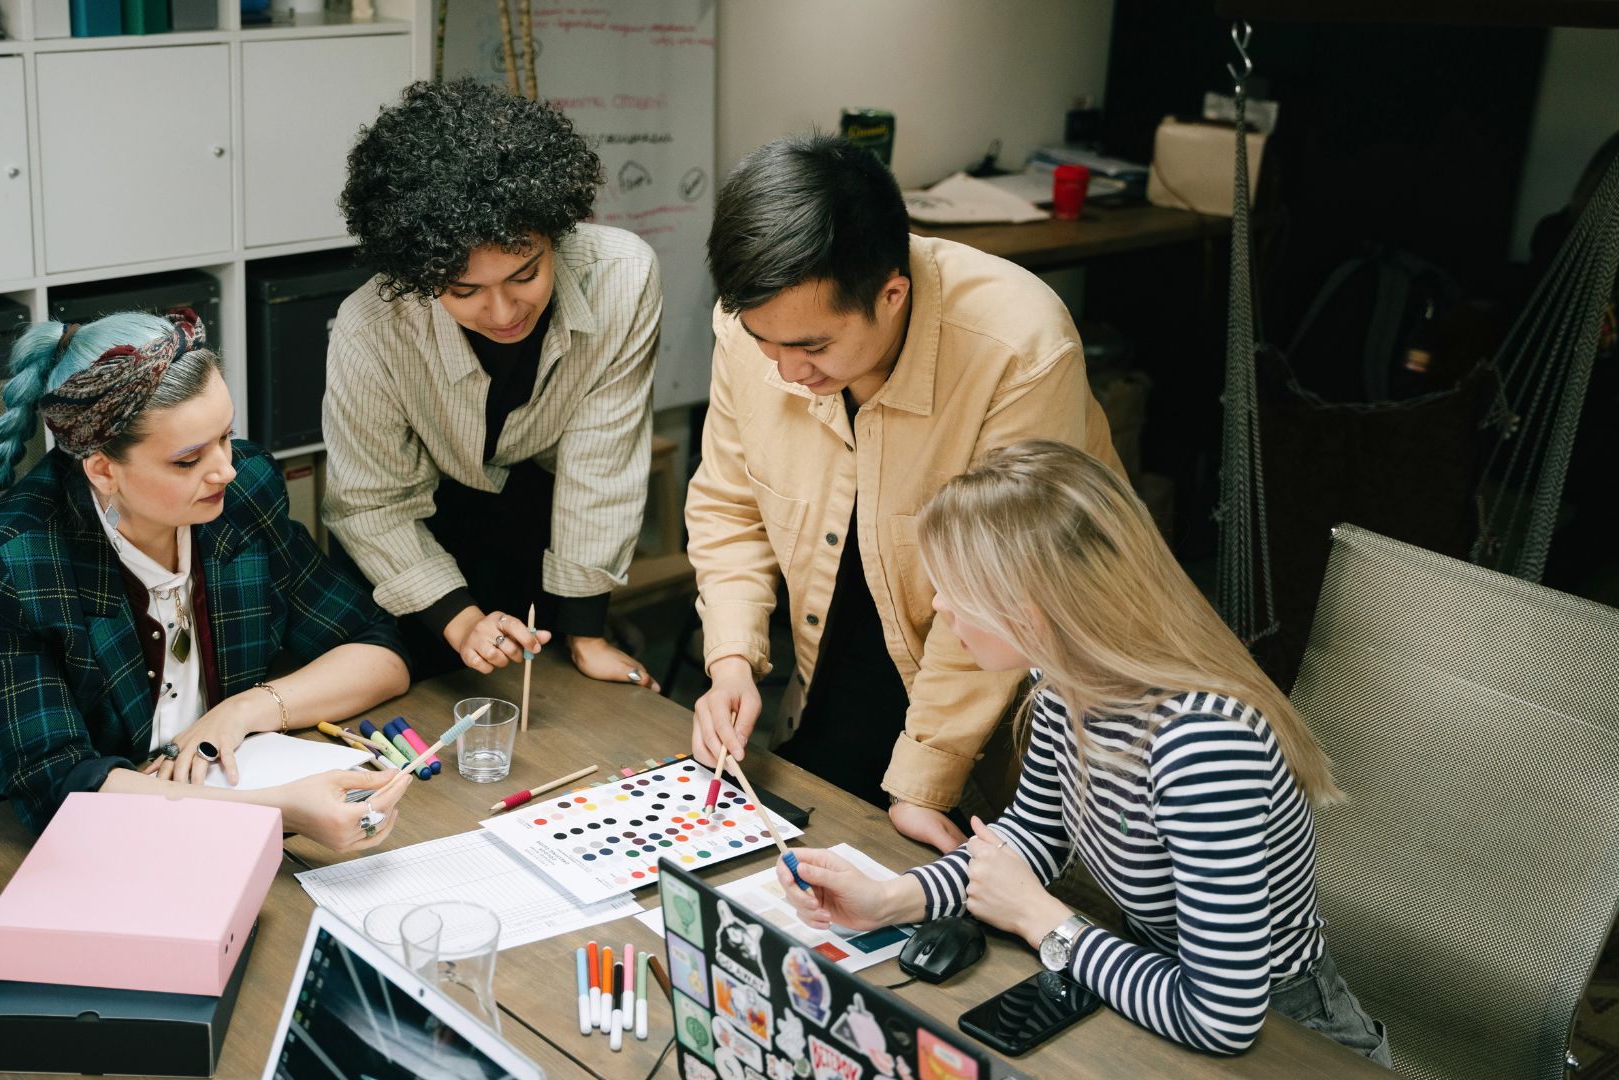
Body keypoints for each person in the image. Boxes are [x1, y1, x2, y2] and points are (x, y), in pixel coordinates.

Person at [770, 441, 1391, 1064]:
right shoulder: (1065, 681)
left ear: (1032, 611)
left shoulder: (1202, 745)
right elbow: (1036, 835)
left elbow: (1222, 1016)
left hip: (1289, 1040)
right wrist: (890, 899)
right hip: (1146, 984)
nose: (939, 603)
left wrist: (1040, 918)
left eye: (956, 586)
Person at [686, 134, 1120, 850]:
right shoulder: (755, 326)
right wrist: (730, 659)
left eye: (813, 347)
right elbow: (731, 506)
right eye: (766, 343)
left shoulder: (1019, 349)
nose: (787, 371)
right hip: (838, 651)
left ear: (892, 295)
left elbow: (1002, 589)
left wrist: (925, 779)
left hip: (1009, 691)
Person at [0, 310, 414, 855]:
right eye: (188, 460)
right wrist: (280, 810)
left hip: (196, 805)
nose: (225, 469)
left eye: (226, 436)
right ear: (103, 470)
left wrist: (241, 711)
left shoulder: (242, 494)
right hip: (10, 841)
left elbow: (378, 652)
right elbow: (61, 787)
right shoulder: (7, 563)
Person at [324, 77, 663, 691]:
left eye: (525, 275)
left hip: (534, 512)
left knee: (541, 694)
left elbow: (602, 461)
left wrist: (586, 633)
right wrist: (461, 622)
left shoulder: (623, 277)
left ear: (556, 233)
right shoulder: (370, 328)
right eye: (464, 290)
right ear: (421, 274)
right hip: (406, 536)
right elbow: (372, 502)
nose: (504, 313)